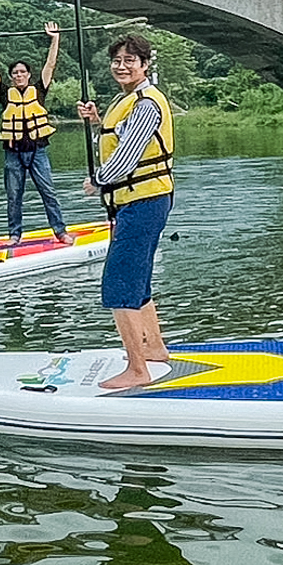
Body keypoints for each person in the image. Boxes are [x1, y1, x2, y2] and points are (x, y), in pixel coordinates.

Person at [77, 33, 174, 389]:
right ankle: (155, 349)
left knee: (119, 285)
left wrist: (97, 182)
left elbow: (126, 158)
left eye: (130, 60)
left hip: (143, 202)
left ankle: (137, 370)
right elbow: (118, 140)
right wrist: (96, 120)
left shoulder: (146, 103)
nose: (121, 66)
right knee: (138, 279)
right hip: (141, 201)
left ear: (145, 65)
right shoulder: (127, 101)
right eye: (116, 61)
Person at [0, 22, 70, 246]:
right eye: (15, 73)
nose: (19, 75)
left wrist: (54, 39)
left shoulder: (40, 88)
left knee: (48, 192)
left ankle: (60, 231)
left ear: (29, 74)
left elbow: (50, 64)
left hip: (38, 151)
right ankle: (14, 235)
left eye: (22, 72)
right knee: (14, 196)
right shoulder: (5, 92)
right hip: (13, 153)